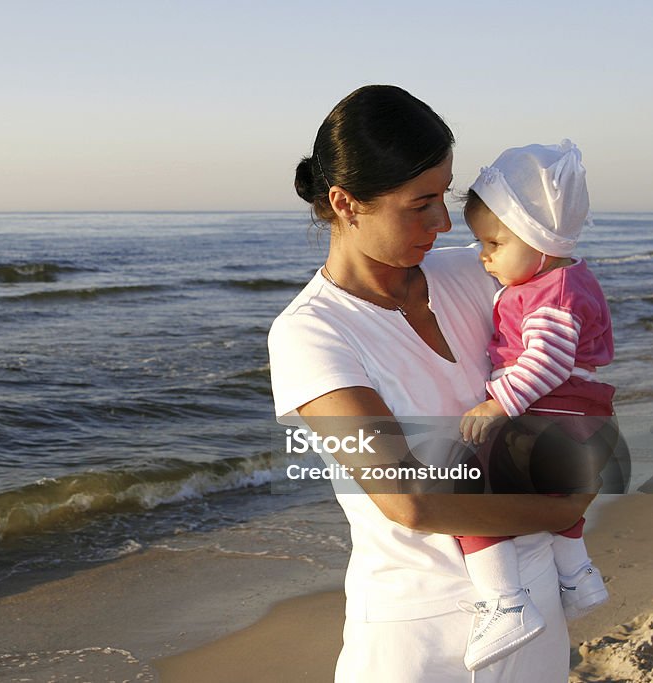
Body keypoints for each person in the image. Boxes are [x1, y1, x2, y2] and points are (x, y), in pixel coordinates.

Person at [268, 85, 594, 682]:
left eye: (444, 195)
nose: (444, 222)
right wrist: (565, 506)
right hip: (420, 639)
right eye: (420, 204)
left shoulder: (478, 274)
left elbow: (569, 355)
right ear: (346, 203)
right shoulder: (311, 335)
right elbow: (410, 502)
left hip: (538, 608)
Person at [454, 141, 614, 669]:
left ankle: (506, 602)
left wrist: (496, 404)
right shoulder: (564, 278)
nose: (484, 256)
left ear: (538, 238)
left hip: (553, 418)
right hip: (578, 420)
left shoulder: (552, 294)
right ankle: (578, 574)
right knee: (555, 496)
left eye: (494, 243)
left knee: (466, 487)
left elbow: (545, 363)